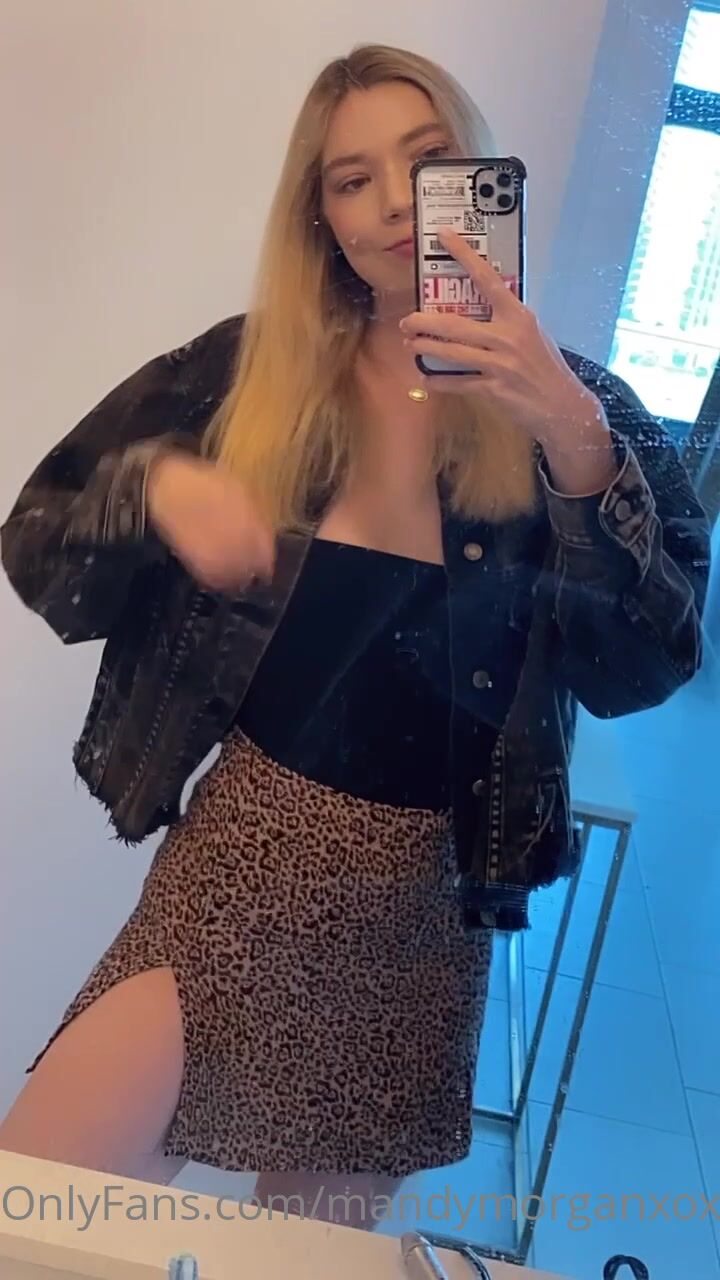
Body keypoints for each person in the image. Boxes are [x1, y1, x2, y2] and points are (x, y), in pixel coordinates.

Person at [0, 43, 710, 1231]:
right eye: (350, 178)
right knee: (35, 1211)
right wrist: (157, 489)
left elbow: (648, 665)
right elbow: (37, 540)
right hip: (243, 857)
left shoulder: (577, 406)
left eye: (424, 162)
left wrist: (578, 440)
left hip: (425, 906)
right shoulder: (248, 374)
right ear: (319, 215)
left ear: (479, 173)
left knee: (308, 1256)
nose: (390, 203)